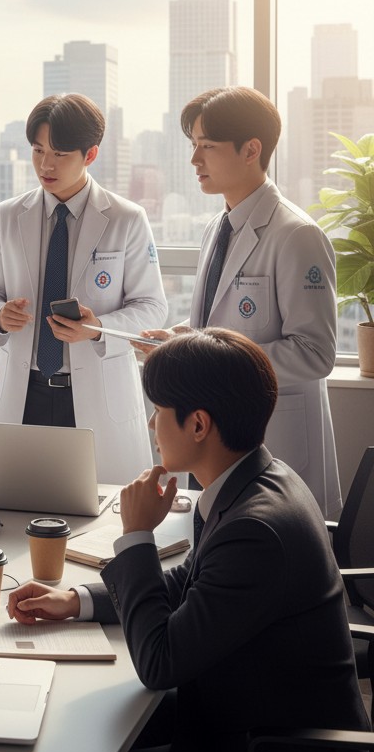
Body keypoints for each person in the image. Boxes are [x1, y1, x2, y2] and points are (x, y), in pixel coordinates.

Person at [7, 329, 371, 752]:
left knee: (65, 751)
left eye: (159, 410)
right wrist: (76, 600)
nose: (151, 424)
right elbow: (191, 581)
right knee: (74, 725)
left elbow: (159, 664)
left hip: (266, 748)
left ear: (198, 424)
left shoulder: (255, 529)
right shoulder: (256, 480)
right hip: (236, 709)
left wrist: (137, 535)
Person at [141, 87, 341, 516]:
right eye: (193, 145)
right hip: (214, 442)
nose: (195, 160)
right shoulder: (217, 226)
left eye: (207, 146)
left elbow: (316, 353)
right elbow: (217, 326)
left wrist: (211, 364)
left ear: (251, 150)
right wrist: (179, 340)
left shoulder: (297, 235)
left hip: (275, 441)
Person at [0, 93, 167, 482]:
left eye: (59, 154)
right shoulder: (8, 215)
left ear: (90, 154)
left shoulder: (126, 218)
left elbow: (152, 307)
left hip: (94, 392)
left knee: (100, 506)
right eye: (38, 150)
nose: (46, 164)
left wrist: (98, 328)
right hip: (24, 392)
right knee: (17, 501)